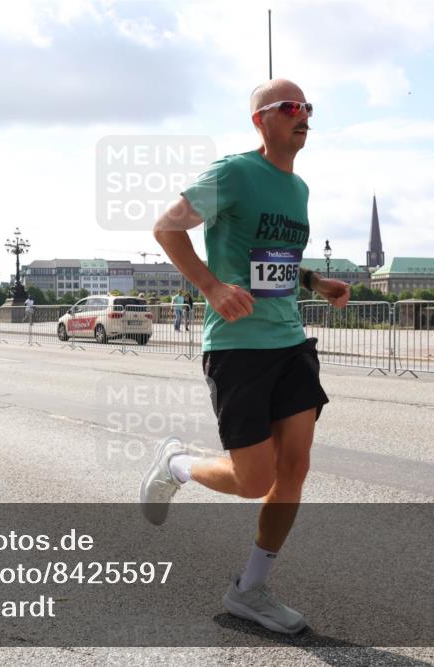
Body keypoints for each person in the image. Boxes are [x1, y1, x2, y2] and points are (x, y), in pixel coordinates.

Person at [141, 79, 350, 635]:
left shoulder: (298, 188)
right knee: (254, 479)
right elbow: (167, 228)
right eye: (290, 107)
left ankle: (250, 590)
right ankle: (176, 465)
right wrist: (211, 288)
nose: (302, 115)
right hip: (238, 348)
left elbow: (272, 258)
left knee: (295, 468)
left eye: (308, 107)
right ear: (261, 120)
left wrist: (315, 279)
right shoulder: (233, 173)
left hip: (289, 341)